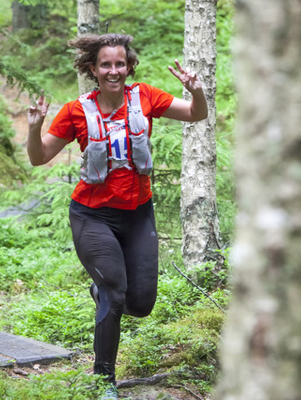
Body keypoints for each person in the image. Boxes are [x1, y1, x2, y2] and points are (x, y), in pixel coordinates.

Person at [27, 33, 207, 399]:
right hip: (92, 217)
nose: (113, 71)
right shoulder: (77, 111)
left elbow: (195, 113)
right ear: (93, 69)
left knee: (140, 304)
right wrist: (34, 127)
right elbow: (38, 157)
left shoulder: (145, 97)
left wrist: (196, 90)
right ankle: (104, 382)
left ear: (129, 66)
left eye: (120, 64)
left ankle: (102, 289)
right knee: (115, 293)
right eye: (105, 65)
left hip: (138, 215)